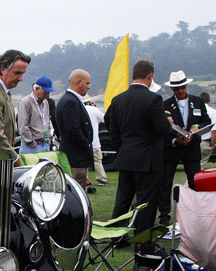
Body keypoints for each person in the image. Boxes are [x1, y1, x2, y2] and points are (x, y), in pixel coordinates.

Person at [106, 59, 171, 235]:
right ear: (150, 76)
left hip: (126, 156)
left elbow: (111, 127)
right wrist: (168, 122)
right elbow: (162, 129)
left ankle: (115, 236)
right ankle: (142, 239)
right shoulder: (153, 99)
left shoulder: (118, 99)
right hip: (148, 160)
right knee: (146, 202)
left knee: (123, 199)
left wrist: (122, 148)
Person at [157, 70, 211, 225]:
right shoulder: (165, 104)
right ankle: (164, 216)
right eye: (176, 89)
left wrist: (196, 128)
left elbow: (205, 121)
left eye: (182, 87)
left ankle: (197, 213)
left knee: (195, 182)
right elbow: (163, 129)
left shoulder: (198, 102)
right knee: (165, 183)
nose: (180, 91)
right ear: (171, 89)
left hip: (192, 148)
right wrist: (176, 139)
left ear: (187, 86)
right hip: (172, 148)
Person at [55, 69, 93, 189]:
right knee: (76, 191)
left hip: (74, 155)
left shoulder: (68, 100)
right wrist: (86, 144)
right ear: (79, 82)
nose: (89, 87)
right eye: (87, 83)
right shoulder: (70, 101)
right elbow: (73, 129)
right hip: (75, 158)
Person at [17, 75, 54, 154]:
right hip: (31, 146)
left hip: (45, 144)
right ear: (37, 89)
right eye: (45, 92)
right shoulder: (26, 102)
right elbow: (22, 125)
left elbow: (47, 123)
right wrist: (31, 143)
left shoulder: (45, 102)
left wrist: (48, 140)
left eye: (48, 93)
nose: (47, 95)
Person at [83, 96, 109, 186]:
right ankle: (101, 179)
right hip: (94, 141)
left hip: (83, 142)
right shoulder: (94, 109)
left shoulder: (79, 109)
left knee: (83, 163)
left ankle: (84, 179)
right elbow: (104, 119)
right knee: (97, 161)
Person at [198, 92, 216, 170]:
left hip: (194, 141)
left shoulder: (196, 110)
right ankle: (189, 182)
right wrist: (213, 144)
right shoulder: (213, 112)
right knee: (200, 166)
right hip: (205, 142)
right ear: (209, 101)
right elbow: (214, 130)